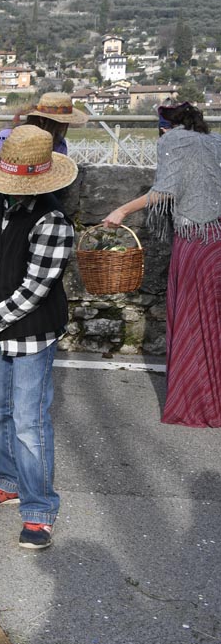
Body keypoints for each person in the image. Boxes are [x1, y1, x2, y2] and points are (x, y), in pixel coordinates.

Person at [0, 125, 78, 550]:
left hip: (31, 336)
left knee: (29, 423)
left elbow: (33, 291)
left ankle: (39, 508)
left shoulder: (53, 222)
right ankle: (7, 481)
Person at [103, 101, 221, 428]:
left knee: (193, 322)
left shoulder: (172, 141)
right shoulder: (216, 142)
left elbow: (164, 191)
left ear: (164, 126)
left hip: (196, 241)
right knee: (216, 323)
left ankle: (197, 404)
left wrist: (122, 211)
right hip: (218, 239)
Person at [0, 91, 88, 155]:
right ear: (42, 119)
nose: (62, 127)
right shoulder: (6, 137)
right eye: (59, 123)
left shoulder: (59, 144)